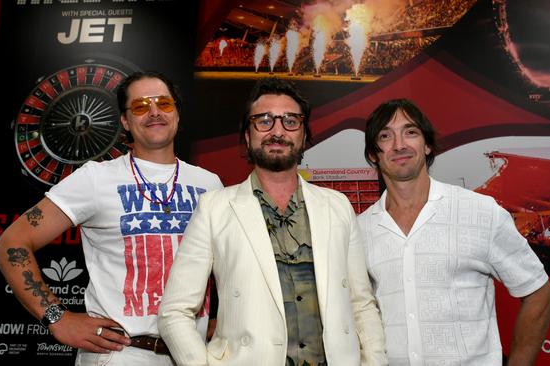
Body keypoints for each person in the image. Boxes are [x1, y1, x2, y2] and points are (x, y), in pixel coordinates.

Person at [0, 71, 223, 365]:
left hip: (193, 356)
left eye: (164, 103)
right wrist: (57, 318)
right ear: (125, 122)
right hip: (122, 354)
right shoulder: (96, 178)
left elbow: (226, 266)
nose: (154, 112)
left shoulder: (210, 183)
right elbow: (11, 243)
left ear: (177, 113)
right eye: (140, 106)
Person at [158, 77, 387, 366]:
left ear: (304, 135)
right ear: (246, 135)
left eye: (290, 121)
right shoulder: (215, 208)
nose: (277, 131)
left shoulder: (337, 206)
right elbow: (175, 310)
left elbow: (362, 304)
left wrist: (374, 361)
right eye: (264, 121)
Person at [357, 98, 550, 365]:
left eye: (410, 132)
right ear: (373, 153)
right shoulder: (360, 229)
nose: (399, 145)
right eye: (385, 136)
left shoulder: (480, 212)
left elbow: (539, 295)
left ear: (427, 145)